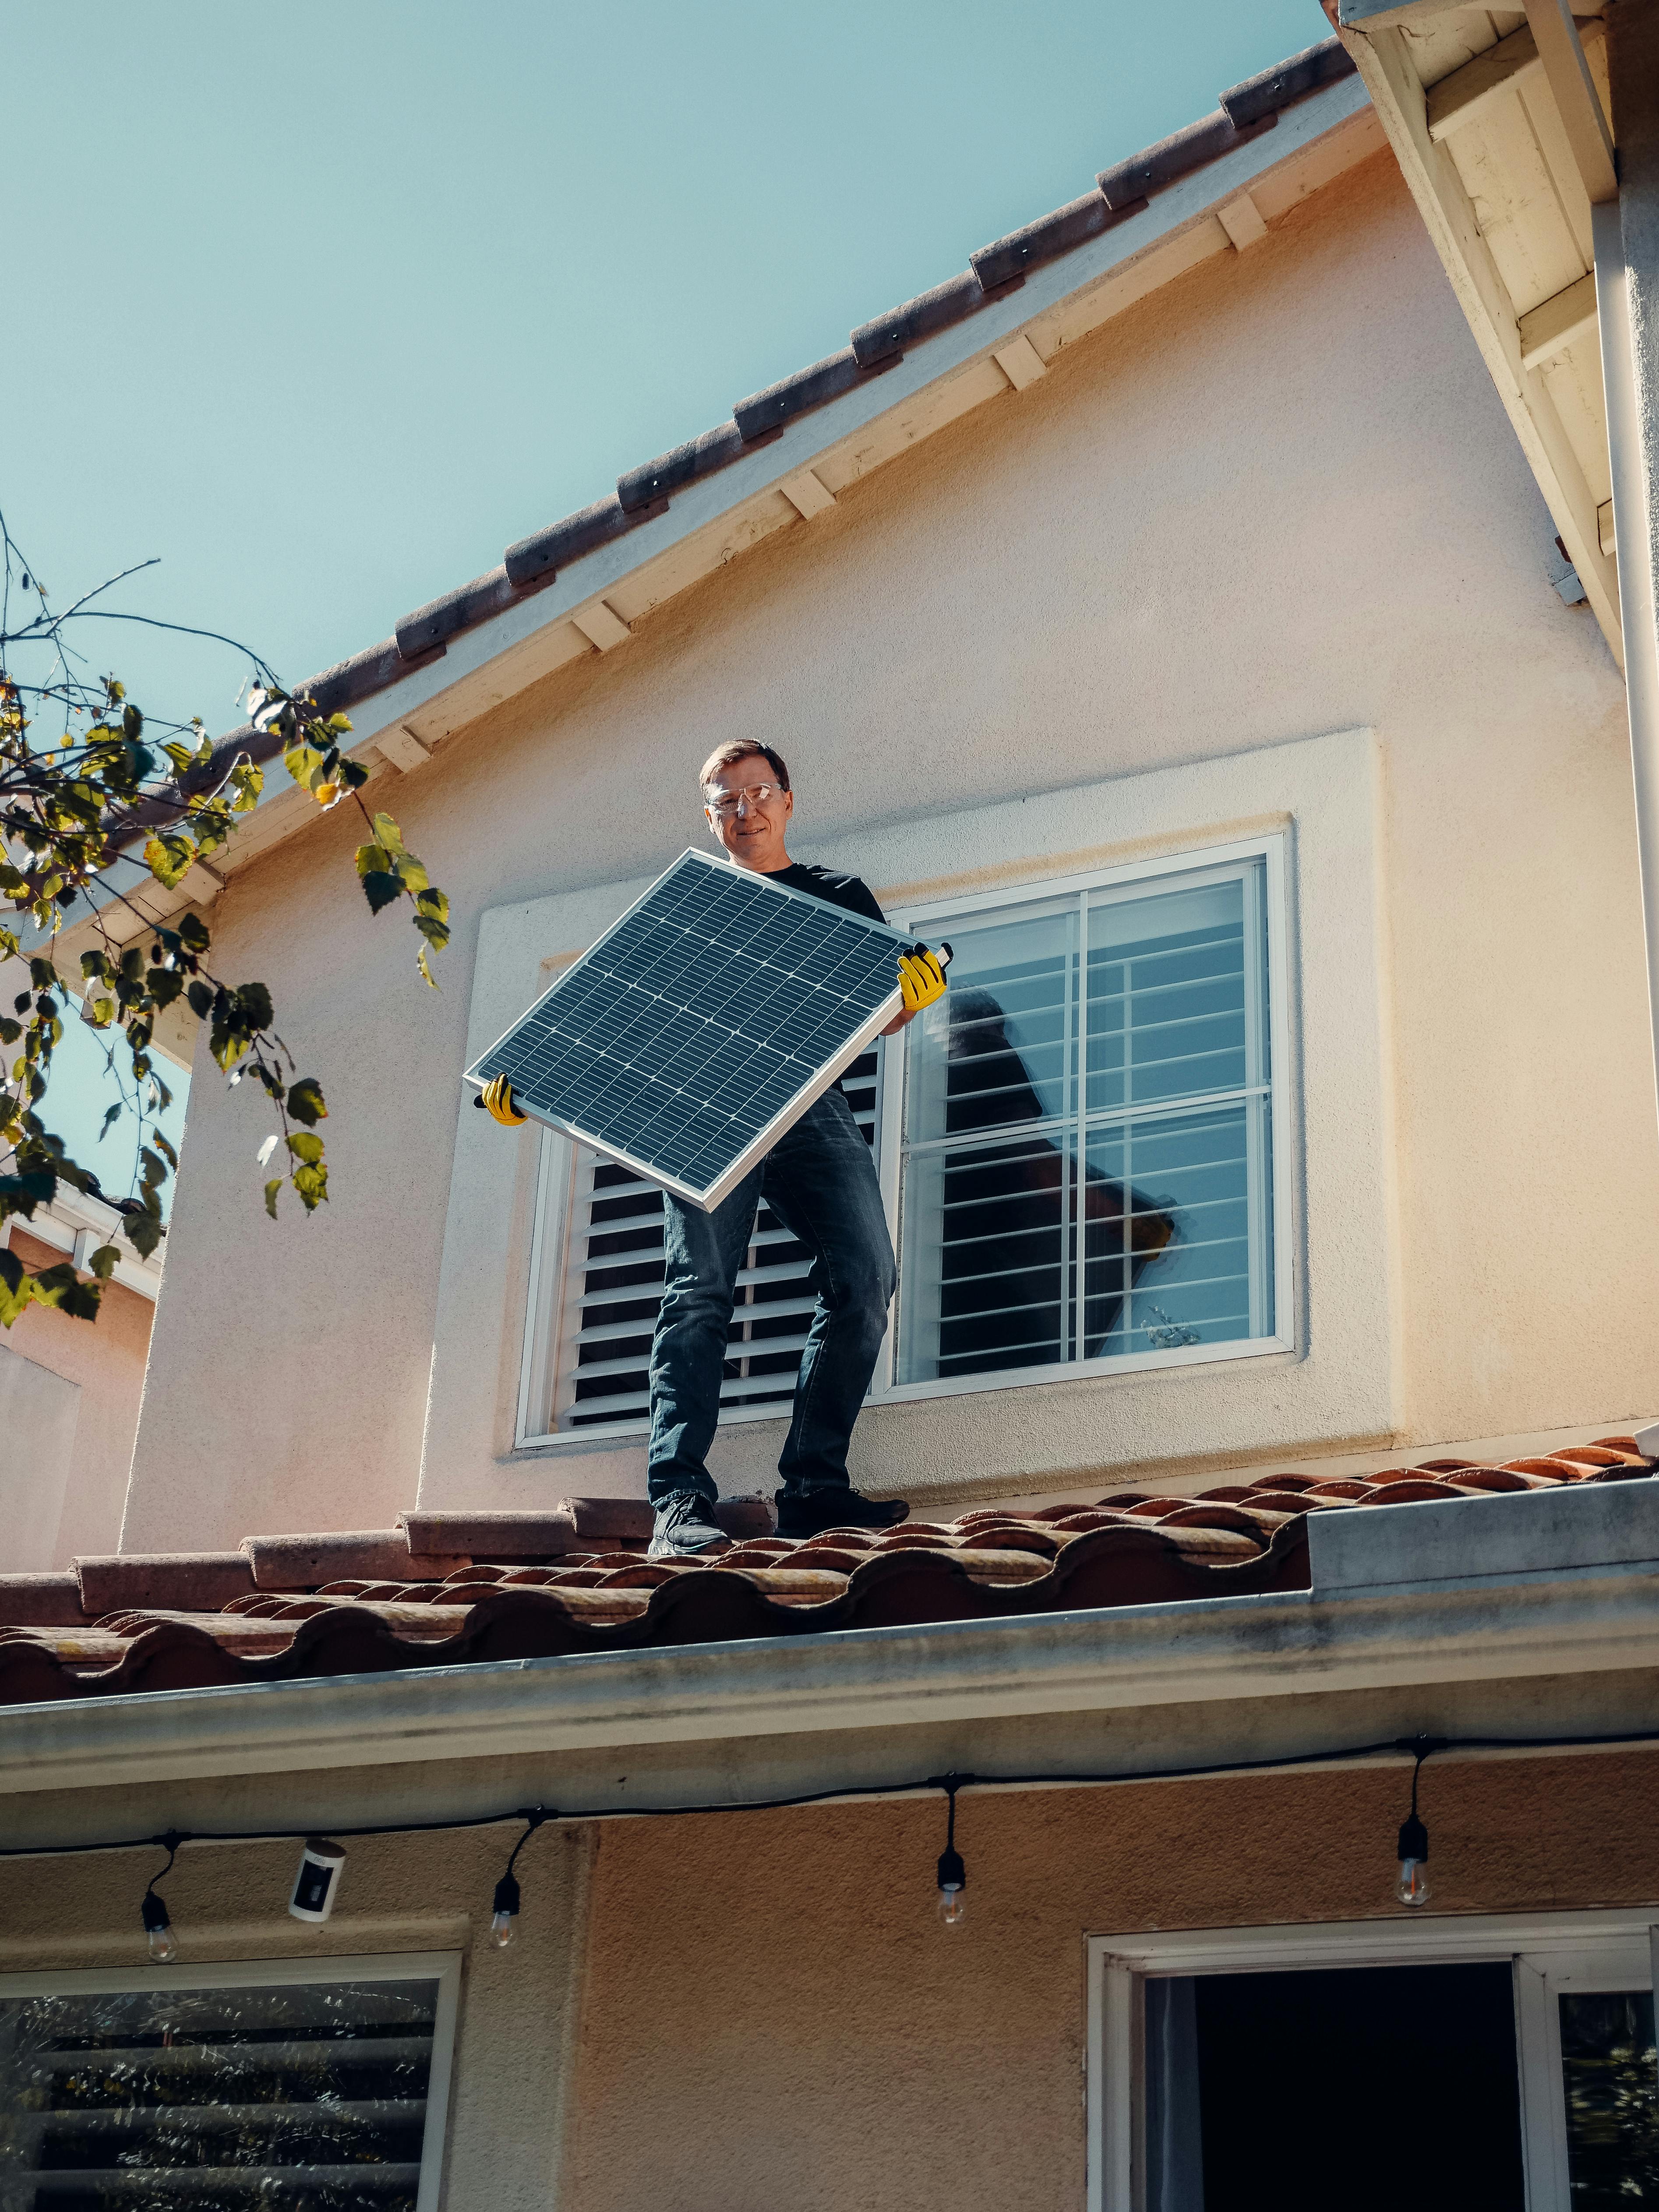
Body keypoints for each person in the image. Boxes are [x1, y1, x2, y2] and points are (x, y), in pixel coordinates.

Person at [645, 741, 946, 1558]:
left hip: (809, 1106)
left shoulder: (836, 896)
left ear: (787, 800)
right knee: (700, 1290)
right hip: (707, 1111)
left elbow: (880, 1009)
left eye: (759, 792)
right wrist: (533, 1081)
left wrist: (909, 999)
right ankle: (676, 1505)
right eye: (726, 800)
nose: (745, 810)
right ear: (709, 818)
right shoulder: (684, 911)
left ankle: (813, 1487)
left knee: (866, 1276)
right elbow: (623, 1025)